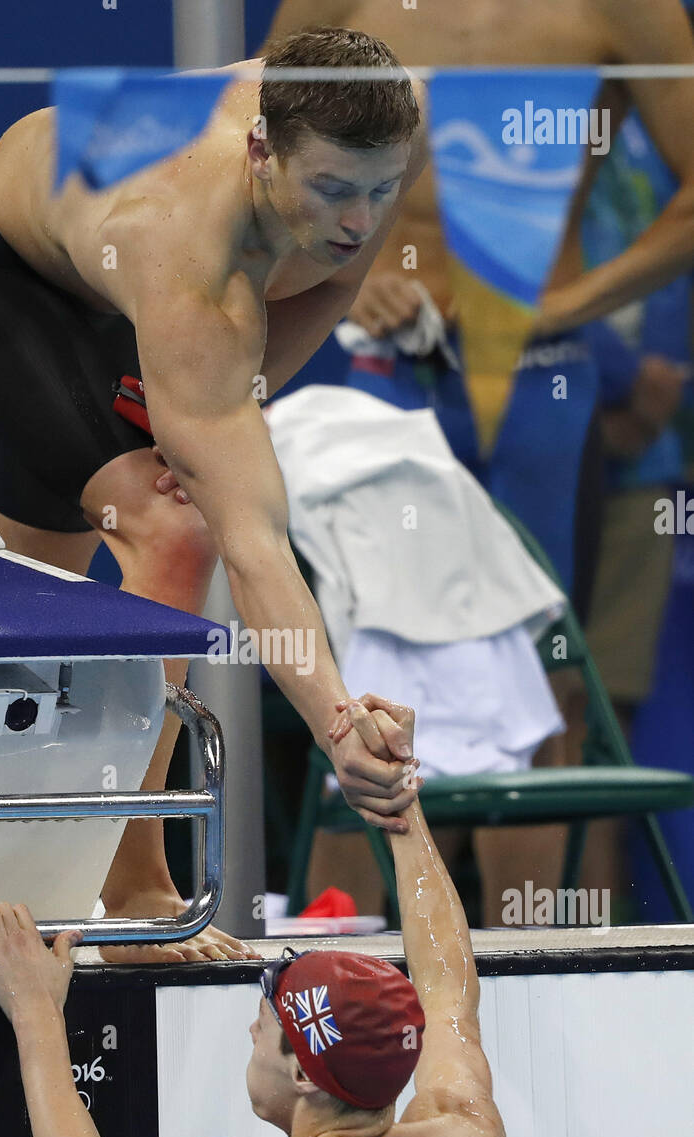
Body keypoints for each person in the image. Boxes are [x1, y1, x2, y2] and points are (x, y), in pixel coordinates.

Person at [0, 28, 429, 964]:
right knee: (175, 530)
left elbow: (329, 280)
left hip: (112, 295)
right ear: (263, 151)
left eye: (380, 192)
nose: (360, 218)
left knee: (20, 614)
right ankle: (136, 880)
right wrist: (338, 723)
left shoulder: (372, 131)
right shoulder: (185, 245)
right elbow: (254, 541)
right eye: (335, 193)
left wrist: (224, 410)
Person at [260, 0, 694, 926]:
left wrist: (569, 303)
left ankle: (539, 974)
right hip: (391, 375)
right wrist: (348, 274)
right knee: (355, 693)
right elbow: (252, 159)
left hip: (542, 386)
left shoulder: (625, 10)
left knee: (551, 684)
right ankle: (336, 988)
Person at [0, 697, 530, 1137]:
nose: (250, 1031)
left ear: (300, 1071)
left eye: (264, 1027)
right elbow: (446, 984)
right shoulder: (466, 1136)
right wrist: (400, 801)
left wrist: (34, 1008)